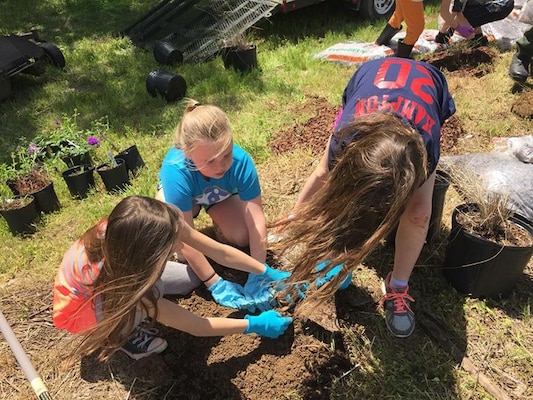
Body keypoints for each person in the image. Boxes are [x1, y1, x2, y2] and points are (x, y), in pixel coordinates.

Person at [272, 57, 456, 339]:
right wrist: (294, 221)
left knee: (417, 213)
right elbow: (322, 174)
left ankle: (397, 287)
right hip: (371, 76)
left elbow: (419, 214)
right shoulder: (345, 138)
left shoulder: (425, 149)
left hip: (425, 87)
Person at [53, 196, 292, 361]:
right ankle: (123, 335)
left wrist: (265, 271)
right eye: (173, 247)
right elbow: (196, 326)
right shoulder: (128, 285)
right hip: (86, 309)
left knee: (190, 279)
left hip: (123, 271)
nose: (181, 246)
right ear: (151, 257)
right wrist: (255, 325)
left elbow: (219, 252)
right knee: (150, 296)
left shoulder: (146, 223)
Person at [157, 99, 269, 305]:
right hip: (186, 199)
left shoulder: (241, 161)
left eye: (226, 155)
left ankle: (217, 225)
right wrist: (213, 281)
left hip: (219, 196)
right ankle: (195, 215)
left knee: (242, 236)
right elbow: (184, 235)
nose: (221, 166)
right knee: (178, 248)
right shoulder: (175, 170)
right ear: (188, 153)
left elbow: (256, 220)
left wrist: (259, 270)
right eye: (210, 161)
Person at [436, 0, 514, 45]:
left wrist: (442, 36)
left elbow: (455, 12)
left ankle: (476, 40)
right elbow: (448, 13)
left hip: (502, 4)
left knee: (465, 14)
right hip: (505, 3)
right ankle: (479, 39)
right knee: (467, 9)